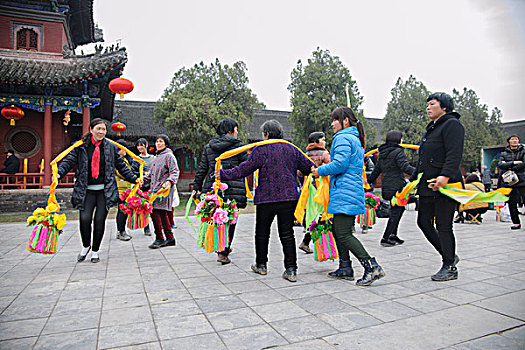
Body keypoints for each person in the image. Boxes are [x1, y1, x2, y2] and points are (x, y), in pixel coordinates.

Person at [215, 120, 313, 282]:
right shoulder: (292, 149)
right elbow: (309, 168)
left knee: (262, 232)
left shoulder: (261, 149)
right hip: (288, 197)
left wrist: (223, 174)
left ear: (266, 134)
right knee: (287, 233)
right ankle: (291, 269)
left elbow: (244, 169)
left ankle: (261, 265)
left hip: (266, 198)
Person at [311, 107, 385, 286]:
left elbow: (339, 164)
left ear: (345, 121)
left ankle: (371, 266)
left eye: (335, 120)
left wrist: (319, 170)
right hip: (347, 190)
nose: (332, 124)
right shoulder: (354, 138)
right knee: (339, 230)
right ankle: (345, 267)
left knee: (343, 233)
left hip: (345, 191)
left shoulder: (343, 137)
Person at [56, 118, 138, 263]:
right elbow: (69, 161)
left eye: (103, 129)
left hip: (104, 191)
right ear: (91, 129)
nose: (101, 132)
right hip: (86, 190)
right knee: (85, 219)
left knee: (100, 220)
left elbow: (121, 166)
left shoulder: (111, 147)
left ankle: (95, 250)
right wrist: (59, 173)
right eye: (98, 129)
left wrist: (134, 178)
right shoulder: (81, 146)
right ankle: (86, 245)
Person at [410, 92, 464, 281]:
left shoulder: (452, 125)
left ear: (444, 107)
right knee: (423, 222)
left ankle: (449, 266)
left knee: (443, 225)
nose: (428, 107)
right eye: (427, 104)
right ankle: (449, 255)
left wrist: (445, 175)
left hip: (445, 185)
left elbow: (454, 153)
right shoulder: (431, 129)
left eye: (432, 104)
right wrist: (413, 181)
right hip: (427, 184)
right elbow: (423, 158)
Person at [193, 118, 248, 265]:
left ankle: (221, 246)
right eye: (236, 129)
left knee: (217, 217)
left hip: (214, 187)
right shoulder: (238, 146)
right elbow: (246, 166)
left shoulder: (210, 147)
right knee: (230, 218)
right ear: (230, 131)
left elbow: (202, 169)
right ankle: (223, 251)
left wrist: (196, 187)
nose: (237, 133)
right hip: (232, 187)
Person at [367, 130, 415, 246]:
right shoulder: (398, 151)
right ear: (398, 140)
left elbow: (377, 170)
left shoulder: (383, 153)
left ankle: (393, 235)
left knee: (399, 210)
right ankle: (386, 237)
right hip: (397, 187)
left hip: (387, 187)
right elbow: (405, 167)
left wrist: (368, 181)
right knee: (395, 212)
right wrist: (419, 172)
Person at [143, 134, 180, 249]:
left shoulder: (169, 156)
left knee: (155, 213)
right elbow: (150, 174)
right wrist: (141, 180)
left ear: (166, 144)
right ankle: (170, 238)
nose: (158, 144)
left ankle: (159, 238)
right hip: (154, 190)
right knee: (163, 213)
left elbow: (175, 171)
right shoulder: (157, 157)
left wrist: (169, 181)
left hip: (163, 190)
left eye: (161, 141)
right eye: (157, 142)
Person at [298, 131, 330, 254]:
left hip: (308, 187)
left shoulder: (305, 154)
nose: (325, 142)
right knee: (321, 214)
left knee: (312, 213)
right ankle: (316, 244)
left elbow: (299, 173)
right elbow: (331, 168)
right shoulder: (324, 154)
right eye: (323, 139)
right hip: (321, 186)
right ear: (316, 141)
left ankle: (306, 241)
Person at [498, 134, 525, 230]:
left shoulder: (523, 151)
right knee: (512, 203)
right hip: (510, 181)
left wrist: (509, 166)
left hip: (522, 180)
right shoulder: (504, 153)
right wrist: (514, 163)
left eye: (516, 139)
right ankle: (516, 223)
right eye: (512, 139)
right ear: (509, 141)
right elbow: (500, 165)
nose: (515, 141)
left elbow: (524, 164)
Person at [115, 139, 140, 241]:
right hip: (120, 188)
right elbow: (124, 173)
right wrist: (135, 177)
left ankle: (120, 230)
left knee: (122, 210)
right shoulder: (118, 160)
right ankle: (121, 231)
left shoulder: (124, 159)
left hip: (125, 187)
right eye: (124, 148)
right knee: (123, 210)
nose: (125, 151)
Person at [136, 138, 155, 236]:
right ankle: (146, 227)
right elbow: (133, 171)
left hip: (152, 185)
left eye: (141, 145)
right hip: (141, 186)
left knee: (152, 207)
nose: (140, 147)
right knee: (144, 206)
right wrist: (143, 173)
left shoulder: (153, 158)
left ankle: (156, 226)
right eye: (138, 145)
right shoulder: (136, 158)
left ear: (146, 145)